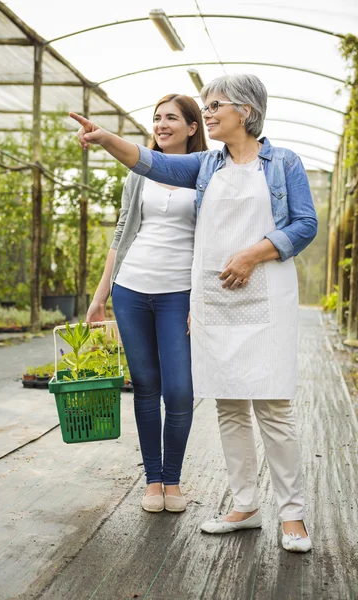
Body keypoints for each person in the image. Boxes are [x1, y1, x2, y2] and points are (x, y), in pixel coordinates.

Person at [70, 73, 317, 552]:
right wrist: (103, 140)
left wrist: (253, 254)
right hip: (216, 298)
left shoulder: (282, 162)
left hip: (266, 296)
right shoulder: (206, 165)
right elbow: (151, 162)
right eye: (204, 105)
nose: (206, 113)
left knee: (272, 406)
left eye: (215, 105)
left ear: (245, 110)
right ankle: (244, 505)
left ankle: (294, 516)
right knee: (228, 406)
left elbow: (304, 223)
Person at [78, 94, 208, 514]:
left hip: (179, 295)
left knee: (181, 391)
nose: (161, 124)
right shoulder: (139, 172)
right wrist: (100, 297)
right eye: (156, 118)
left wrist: (204, 299)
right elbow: (122, 234)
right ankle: (155, 480)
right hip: (131, 289)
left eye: (172, 117)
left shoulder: (208, 170)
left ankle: (174, 478)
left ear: (192, 127)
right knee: (147, 387)